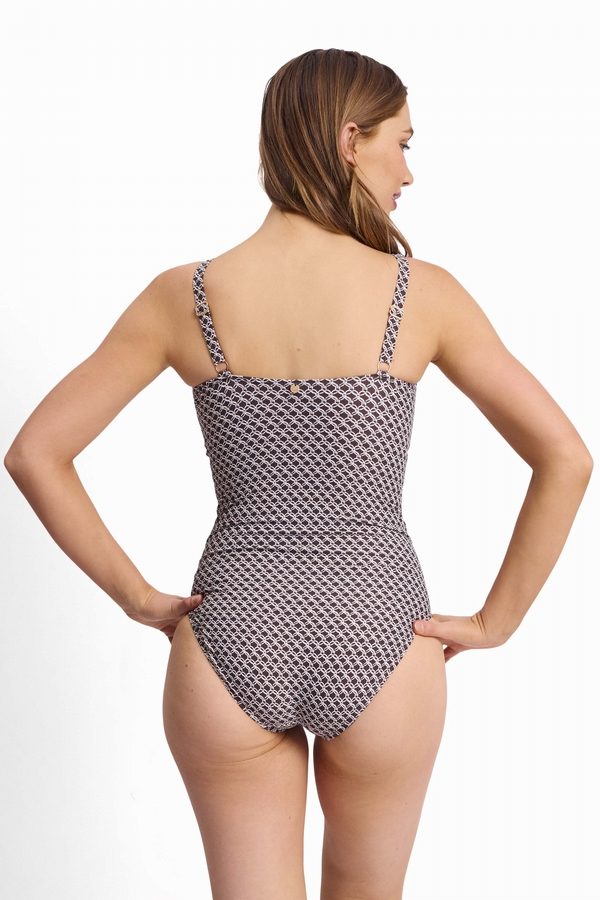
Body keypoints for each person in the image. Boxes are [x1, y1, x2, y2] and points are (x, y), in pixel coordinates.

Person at [4, 47, 593, 900]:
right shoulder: (420, 295)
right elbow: (566, 456)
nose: (409, 173)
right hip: (382, 632)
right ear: (351, 141)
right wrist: (494, 622)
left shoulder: (186, 295)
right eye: (402, 143)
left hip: (230, 632)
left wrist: (139, 599)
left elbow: (35, 452)